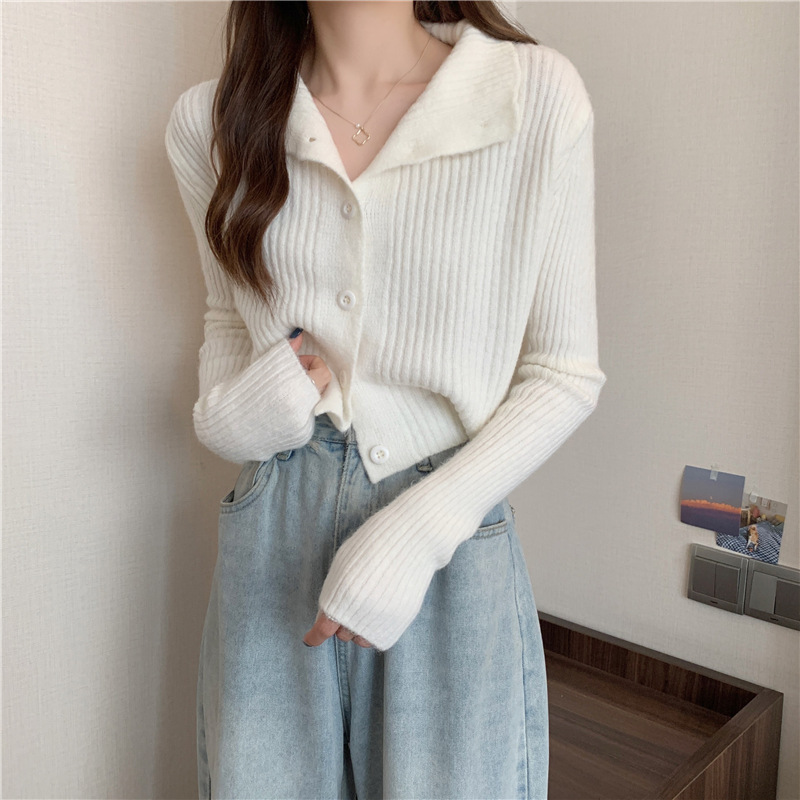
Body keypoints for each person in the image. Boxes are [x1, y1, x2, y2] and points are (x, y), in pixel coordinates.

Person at [165, 1, 607, 797]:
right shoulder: (212, 123)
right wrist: (242, 413)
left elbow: (563, 372)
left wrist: (418, 534)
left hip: (448, 536)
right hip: (273, 531)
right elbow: (226, 324)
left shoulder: (531, 95)